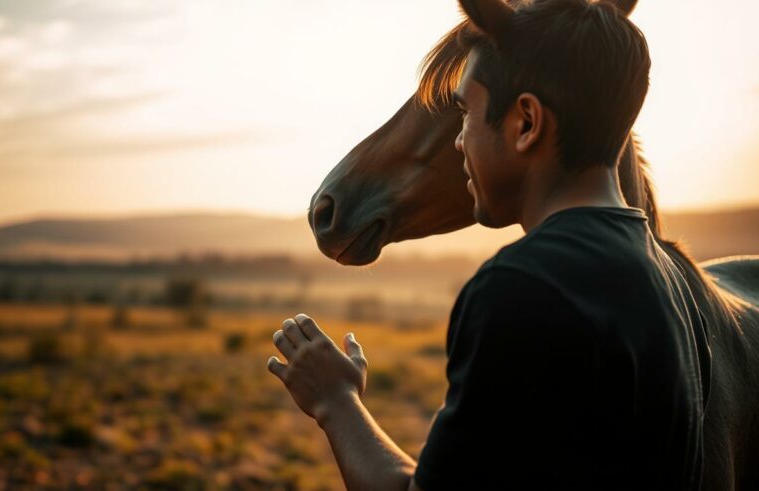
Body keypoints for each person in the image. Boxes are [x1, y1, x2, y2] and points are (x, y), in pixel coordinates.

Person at [267, 0, 710, 489]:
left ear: (525, 123)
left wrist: (335, 401)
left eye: (464, 113)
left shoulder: (517, 290)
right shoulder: (677, 289)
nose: (459, 141)